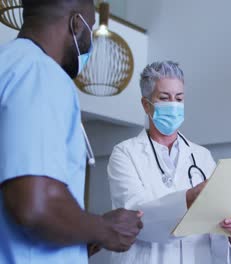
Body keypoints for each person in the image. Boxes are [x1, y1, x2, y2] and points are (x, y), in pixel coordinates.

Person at [0, 1, 144, 263]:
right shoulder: (41, 73)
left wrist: (81, 237)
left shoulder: (8, 64)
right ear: (77, 24)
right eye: (91, 30)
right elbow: (34, 205)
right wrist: (105, 229)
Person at [107, 61, 231, 264]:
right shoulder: (125, 154)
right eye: (165, 98)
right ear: (146, 105)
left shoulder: (202, 157)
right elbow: (136, 220)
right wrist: (188, 198)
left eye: (179, 98)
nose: (173, 105)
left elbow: (214, 225)